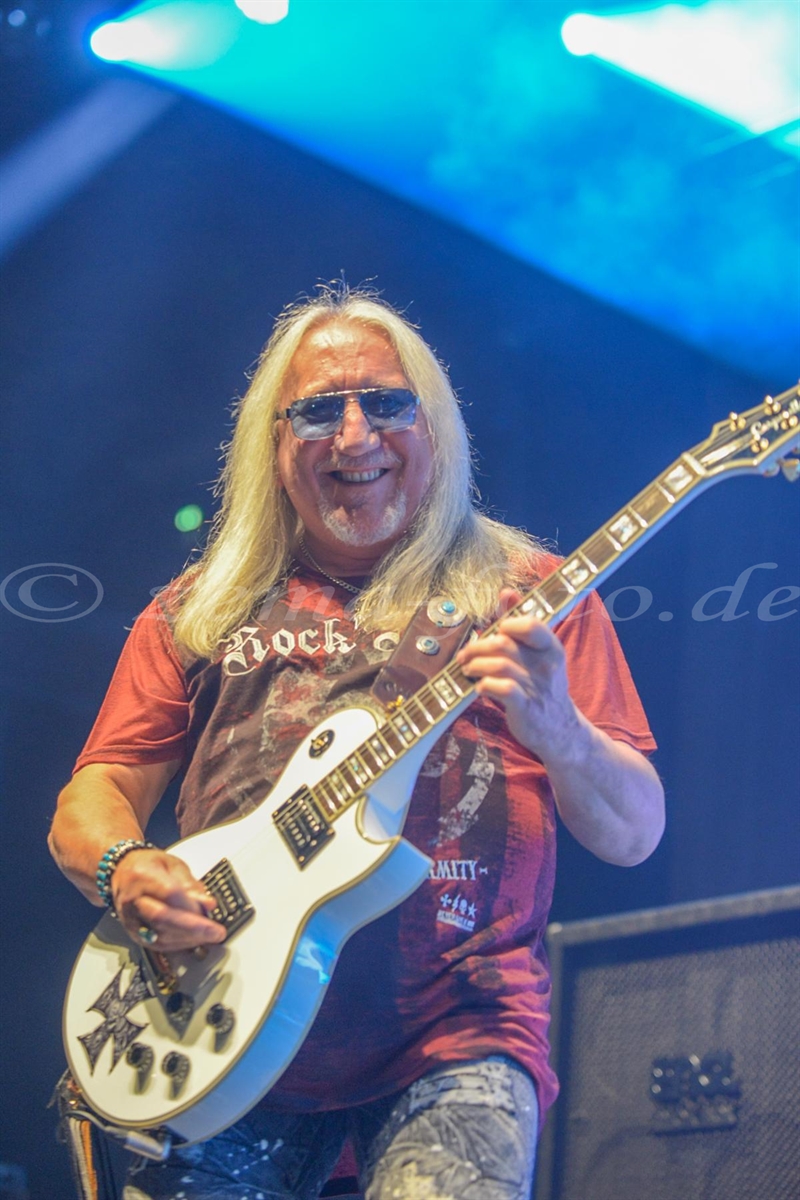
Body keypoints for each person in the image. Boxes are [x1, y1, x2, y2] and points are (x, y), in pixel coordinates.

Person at [49, 286, 665, 1200]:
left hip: (456, 1032)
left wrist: (561, 733)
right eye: (316, 411)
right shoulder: (197, 609)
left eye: (385, 403)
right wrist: (125, 869)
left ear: (434, 428)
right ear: (271, 445)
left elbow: (635, 833)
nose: (353, 435)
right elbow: (90, 801)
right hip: (219, 1022)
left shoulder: (529, 595)